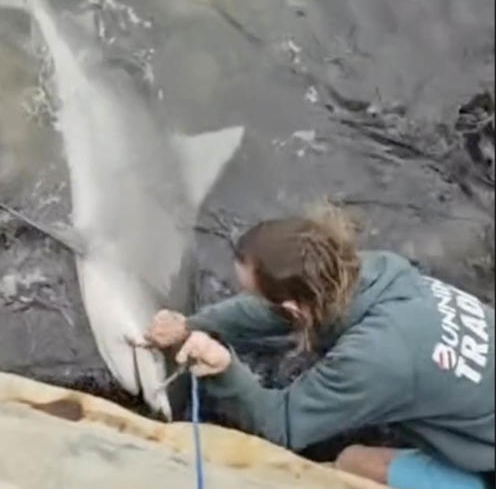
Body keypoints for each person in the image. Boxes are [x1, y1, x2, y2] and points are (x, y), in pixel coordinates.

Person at [144, 203, 495, 489]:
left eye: (253, 292)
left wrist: (224, 369)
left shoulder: (374, 359)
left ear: (294, 308)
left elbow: (281, 427)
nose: (250, 300)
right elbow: (271, 310)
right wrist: (193, 324)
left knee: (351, 462)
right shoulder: (374, 271)